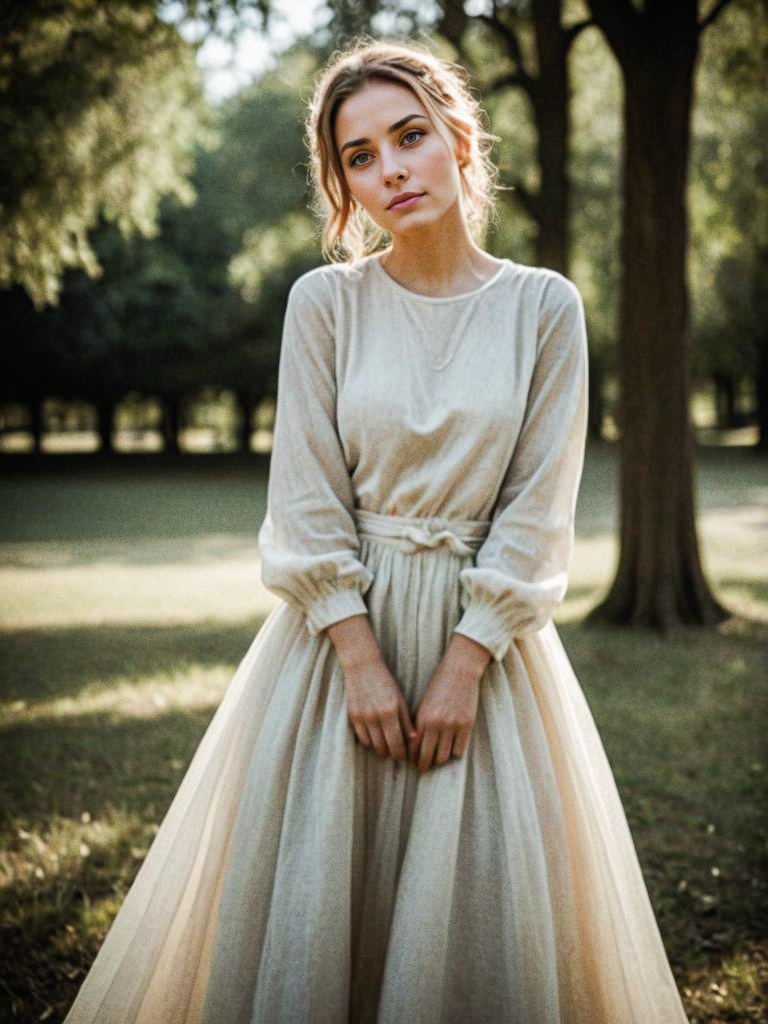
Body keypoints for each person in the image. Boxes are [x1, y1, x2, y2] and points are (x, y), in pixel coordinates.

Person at [64, 38, 691, 1024]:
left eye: (410, 136)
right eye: (360, 156)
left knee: (477, 910)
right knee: (315, 912)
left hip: (488, 654)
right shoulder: (326, 304)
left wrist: (465, 662)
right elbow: (305, 493)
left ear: (460, 140)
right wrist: (359, 657)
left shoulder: (544, 307)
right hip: (331, 651)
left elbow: (540, 505)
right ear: (342, 184)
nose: (391, 168)